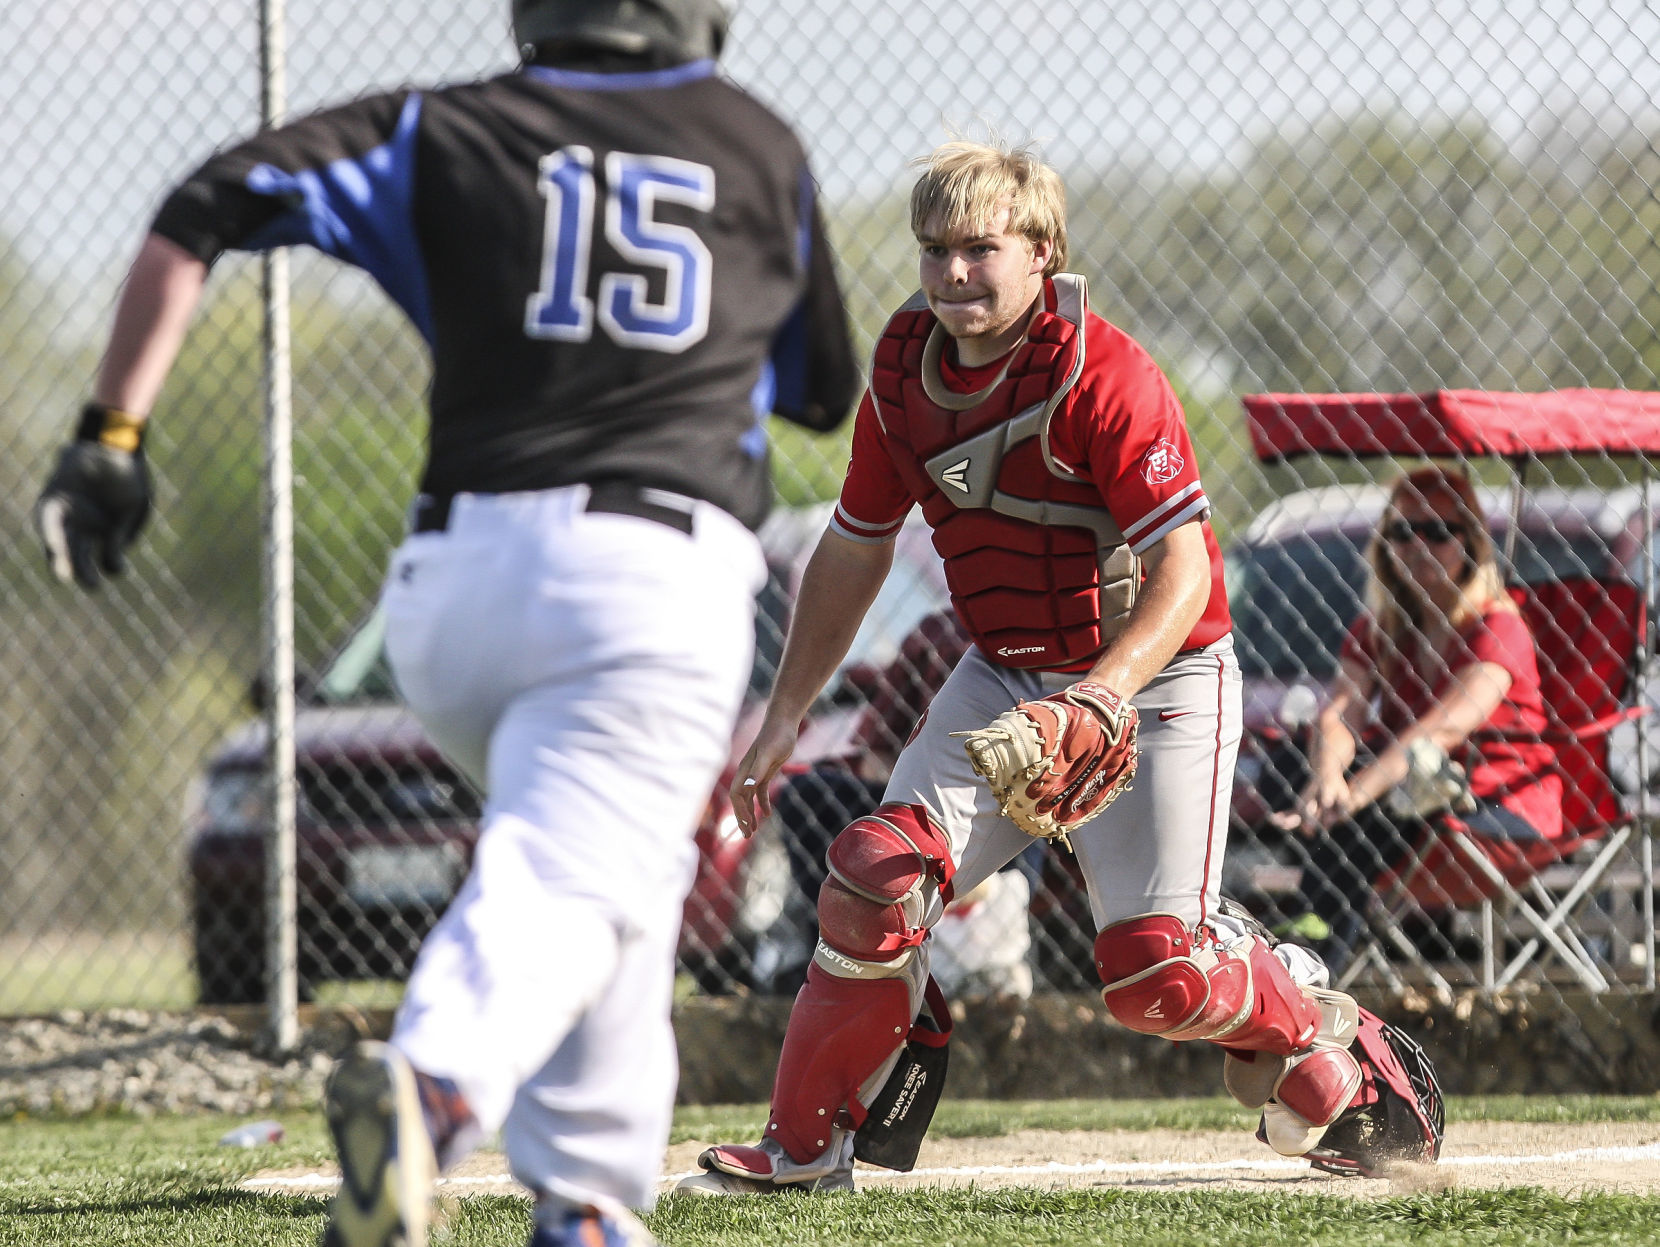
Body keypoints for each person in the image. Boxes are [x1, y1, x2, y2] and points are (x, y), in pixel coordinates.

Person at [32, 2, 858, 1244]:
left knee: (615, 862)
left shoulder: (443, 125)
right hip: (650, 579)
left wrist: (109, 433)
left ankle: (584, 1198)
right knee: (575, 872)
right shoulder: (753, 142)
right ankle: (433, 1086)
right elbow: (821, 388)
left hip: (454, 586)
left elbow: (205, 202)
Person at [675, 138, 1415, 1198]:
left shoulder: (1103, 372)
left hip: (1152, 681)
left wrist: (1099, 696)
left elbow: (1183, 569)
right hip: (1005, 674)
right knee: (871, 879)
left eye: (979, 248)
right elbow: (853, 540)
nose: (951, 274)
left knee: (1154, 976)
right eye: (934, 249)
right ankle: (803, 1148)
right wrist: (785, 710)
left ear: (1042, 251)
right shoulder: (899, 369)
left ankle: (1303, 1008)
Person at [1268, 466, 1561, 976]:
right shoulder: (1379, 629)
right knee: (1283, 763)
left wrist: (1354, 793)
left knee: (1385, 797)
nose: (1418, 545)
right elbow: (1340, 712)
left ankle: (1315, 957)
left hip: (1498, 798)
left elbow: (1446, 728)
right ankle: (1293, 941)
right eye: (1403, 532)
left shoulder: (1498, 625)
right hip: (1409, 792)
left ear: (1470, 543)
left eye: (1439, 531)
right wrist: (1329, 777)